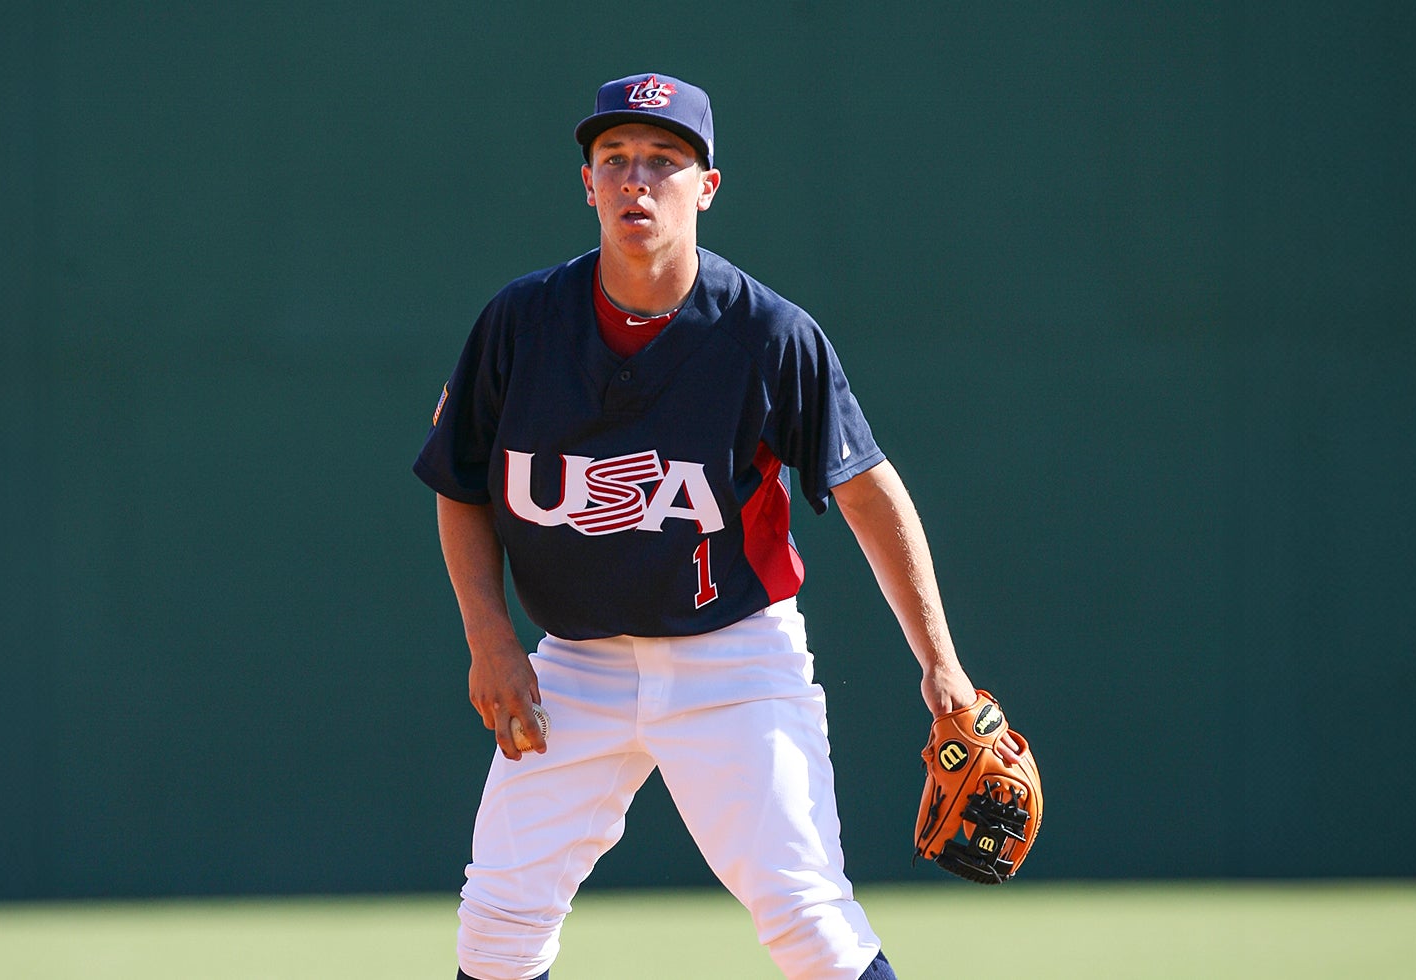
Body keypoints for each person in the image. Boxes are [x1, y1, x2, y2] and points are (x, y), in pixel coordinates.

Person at [413, 71, 1012, 980]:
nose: (636, 180)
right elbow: (460, 481)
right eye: (614, 159)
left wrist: (943, 667)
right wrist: (489, 634)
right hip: (574, 665)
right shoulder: (521, 323)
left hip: (732, 659)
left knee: (808, 918)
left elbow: (868, 490)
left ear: (707, 185)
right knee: (498, 924)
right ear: (587, 182)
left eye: (664, 159)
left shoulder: (768, 335)